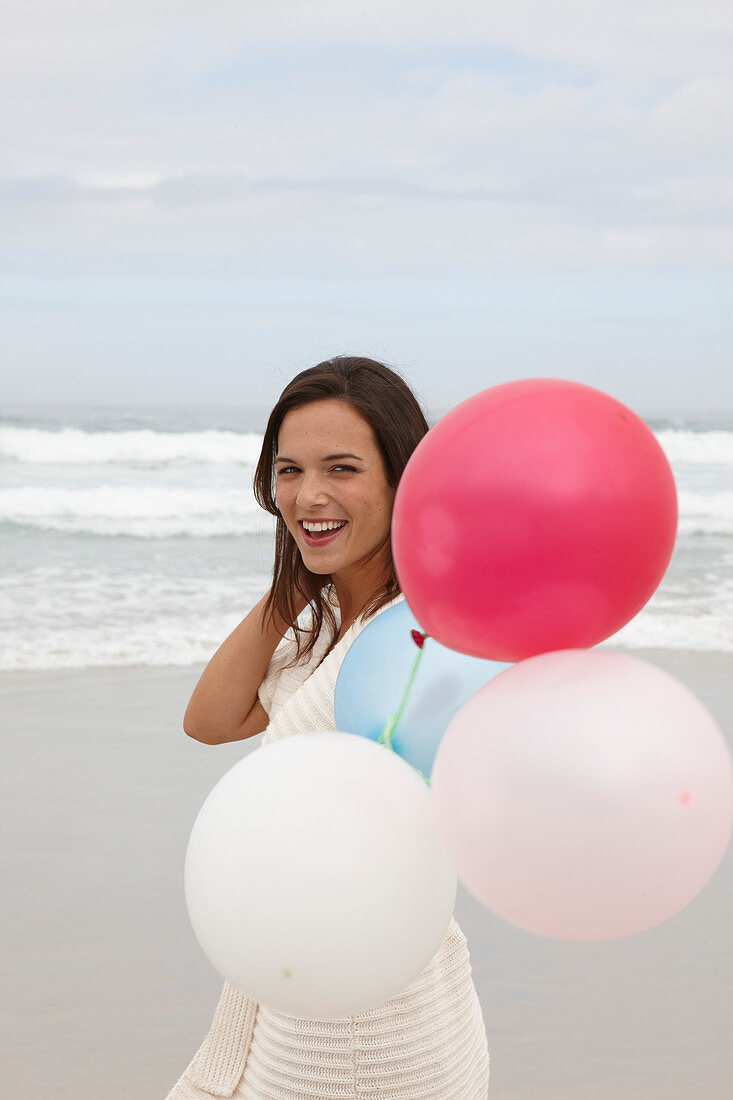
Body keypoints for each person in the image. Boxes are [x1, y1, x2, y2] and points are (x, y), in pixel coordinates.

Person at [167, 356, 490, 1099]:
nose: (308, 494)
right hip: (308, 1001)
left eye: (341, 468)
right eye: (288, 470)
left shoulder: (414, 644)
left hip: (366, 1033)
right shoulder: (329, 627)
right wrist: (296, 580)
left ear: (400, 479)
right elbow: (208, 720)